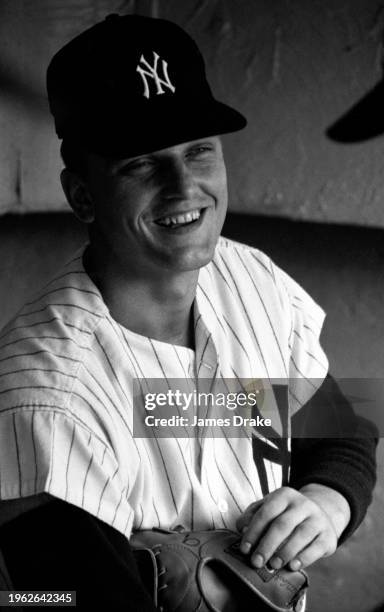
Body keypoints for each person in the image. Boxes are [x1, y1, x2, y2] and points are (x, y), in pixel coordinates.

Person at [0, 13, 377, 610]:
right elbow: (53, 598)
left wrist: (328, 501)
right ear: (81, 194)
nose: (184, 187)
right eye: (141, 164)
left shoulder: (251, 280)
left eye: (198, 150)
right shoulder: (48, 397)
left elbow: (339, 428)